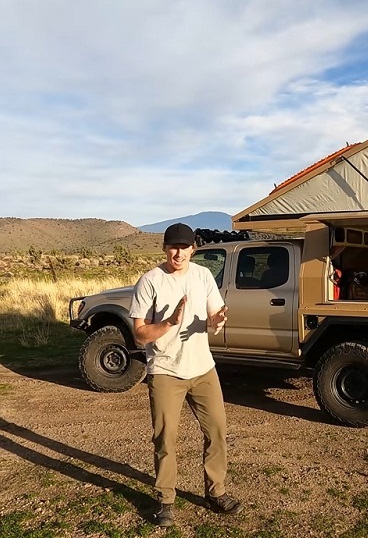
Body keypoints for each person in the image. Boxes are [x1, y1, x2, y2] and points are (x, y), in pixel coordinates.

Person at [129, 222, 242, 527]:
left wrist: (217, 320)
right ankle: (166, 499)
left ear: (194, 248)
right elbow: (139, 335)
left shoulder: (203, 275)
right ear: (164, 248)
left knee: (217, 431)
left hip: (203, 369)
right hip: (166, 371)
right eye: (173, 247)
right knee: (166, 439)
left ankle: (216, 492)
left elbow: (215, 315)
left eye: (184, 247)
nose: (178, 253)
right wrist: (168, 323)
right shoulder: (150, 281)